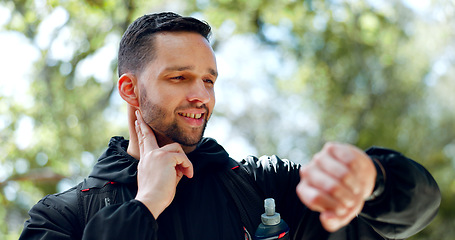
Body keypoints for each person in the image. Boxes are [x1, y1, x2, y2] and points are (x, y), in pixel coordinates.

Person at [20, 12, 441, 240]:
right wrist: (144, 205)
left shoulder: (265, 186)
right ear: (130, 89)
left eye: (208, 80)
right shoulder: (60, 218)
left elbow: (416, 209)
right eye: (179, 77)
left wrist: (375, 179)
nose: (201, 95)